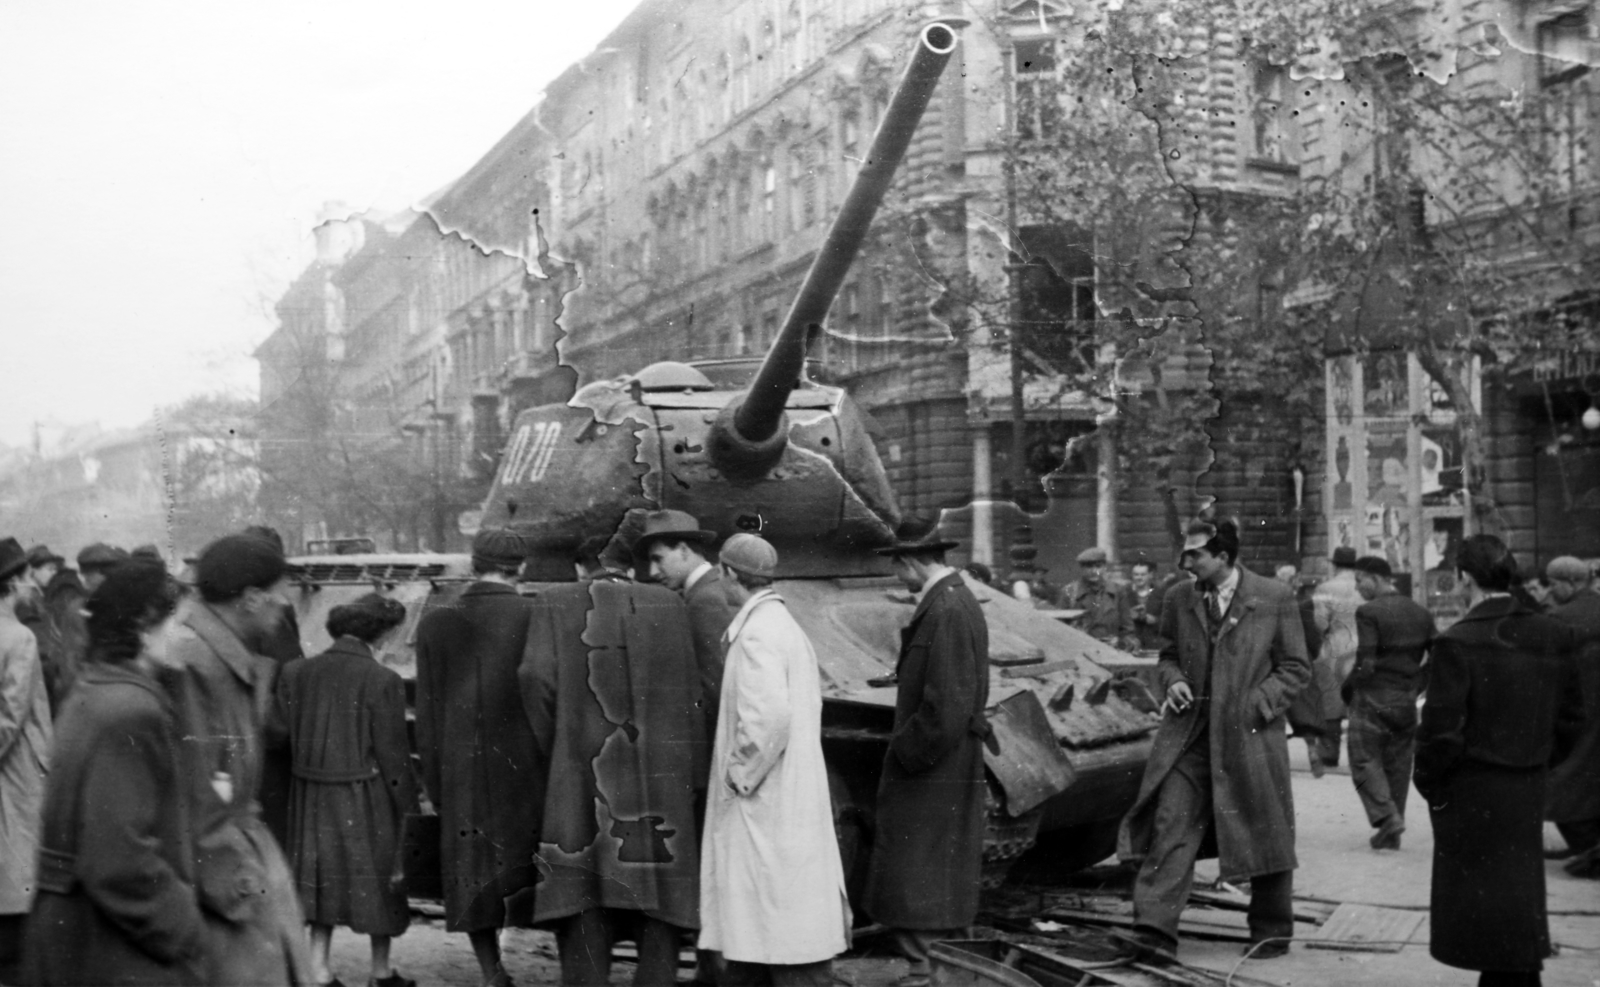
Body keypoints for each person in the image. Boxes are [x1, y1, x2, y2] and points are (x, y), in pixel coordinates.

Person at [1116, 519, 1311, 965]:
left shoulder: (1273, 597)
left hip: (1250, 736)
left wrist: (1257, 703)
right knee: (1171, 823)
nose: (1185, 563)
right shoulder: (1179, 598)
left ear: (1223, 557)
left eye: (1195, 555)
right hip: (1190, 737)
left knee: (1265, 826)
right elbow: (1165, 655)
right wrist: (1174, 681)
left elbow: (1297, 667)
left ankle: (1271, 931)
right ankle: (1153, 931)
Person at [520, 541, 707, 987]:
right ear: (633, 565)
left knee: (583, 887)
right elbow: (691, 691)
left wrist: (559, 744)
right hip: (658, 775)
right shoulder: (670, 603)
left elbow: (533, 677)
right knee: (659, 889)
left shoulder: (553, 601)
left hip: (582, 771)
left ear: (583, 564)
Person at [24, 558, 208, 986]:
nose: (189, 637)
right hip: (111, 949)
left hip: (75, 935)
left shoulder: (95, 690)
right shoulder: (132, 711)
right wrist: (185, 927)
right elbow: (118, 861)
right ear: (144, 630)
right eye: (181, 624)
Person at [1415, 535, 1583, 987]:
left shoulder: (1458, 641)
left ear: (1464, 578)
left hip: (1473, 792)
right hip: (1526, 788)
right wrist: (1537, 766)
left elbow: (1440, 735)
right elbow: (1572, 719)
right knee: (1516, 904)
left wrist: (1434, 787)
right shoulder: (1553, 632)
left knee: (1488, 913)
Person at [700, 534, 850, 987]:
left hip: (764, 801)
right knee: (766, 919)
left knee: (771, 917)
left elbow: (768, 720)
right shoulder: (783, 624)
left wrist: (737, 777)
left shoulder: (757, 634)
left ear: (728, 573)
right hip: (787, 794)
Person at [167, 532, 313, 985]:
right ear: (251, 599)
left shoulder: (219, 658)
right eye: (278, 597)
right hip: (221, 892)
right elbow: (195, 804)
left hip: (235, 874)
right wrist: (242, 894)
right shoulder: (195, 664)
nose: (282, 608)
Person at [862, 518, 990, 987]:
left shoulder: (946, 610)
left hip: (935, 764)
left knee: (922, 868)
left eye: (897, 566)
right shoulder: (951, 601)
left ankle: (929, 971)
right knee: (934, 866)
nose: (898, 577)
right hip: (945, 760)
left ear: (909, 561)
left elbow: (947, 706)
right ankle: (941, 967)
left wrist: (904, 754)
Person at [414, 527, 543, 987]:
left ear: (473, 563)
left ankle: (492, 971)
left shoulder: (436, 622)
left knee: (472, 872)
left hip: (462, 770)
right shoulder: (538, 615)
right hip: (530, 769)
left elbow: (427, 715)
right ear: (522, 568)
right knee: (539, 866)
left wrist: (434, 783)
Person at [279, 593, 418, 987]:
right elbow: (393, 756)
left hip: (309, 794)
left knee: (319, 879)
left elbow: (283, 733)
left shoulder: (294, 672)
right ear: (384, 634)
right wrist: (408, 807)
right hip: (366, 793)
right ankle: (380, 971)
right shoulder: (382, 680)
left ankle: (319, 969)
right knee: (381, 878)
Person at [1344, 556, 1435, 850]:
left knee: (1363, 759)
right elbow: (1440, 656)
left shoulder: (1369, 611)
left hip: (1372, 696)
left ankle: (1386, 818)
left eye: (1360, 580)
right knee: (1398, 764)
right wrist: (1418, 684)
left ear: (1376, 578)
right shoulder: (1420, 612)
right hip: (1405, 698)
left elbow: (1366, 662)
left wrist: (1348, 688)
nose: (1358, 588)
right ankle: (1392, 831)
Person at [0, 537, 51, 982]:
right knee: (20, 877)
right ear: (14, 582)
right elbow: (13, 715)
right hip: (16, 772)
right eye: (27, 576)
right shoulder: (20, 637)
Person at [637, 509, 739, 731]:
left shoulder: (704, 600)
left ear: (683, 550)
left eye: (658, 559)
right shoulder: (707, 591)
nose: (653, 571)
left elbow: (714, 690)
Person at [1541, 556, 1600, 876]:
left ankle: (1589, 849)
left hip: (1577, 714)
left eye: (1554, 585)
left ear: (1573, 583)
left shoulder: (1561, 619)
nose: (1551, 592)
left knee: (1564, 782)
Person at [1312, 546, 1363, 769]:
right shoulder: (1364, 587)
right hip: (1363, 647)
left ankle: (1330, 754)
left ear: (1335, 565)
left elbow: (1320, 622)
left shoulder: (1325, 588)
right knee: (1359, 704)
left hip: (1335, 648)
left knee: (1331, 704)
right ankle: (1360, 756)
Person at [1275, 562, 1328, 777]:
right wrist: (1312, 654)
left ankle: (1277, 759)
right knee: (1306, 706)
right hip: (1300, 658)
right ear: (1295, 581)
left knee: (1276, 707)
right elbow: (1313, 637)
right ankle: (1312, 749)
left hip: (1275, 660)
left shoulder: (1271, 603)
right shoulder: (1304, 604)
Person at [1059, 546, 1136, 649]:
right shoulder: (1069, 592)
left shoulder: (1117, 592)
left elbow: (1128, 631)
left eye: (1098, 566)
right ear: (1081, 569)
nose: (1094, 571)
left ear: (1105, 567)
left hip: (1110, 651)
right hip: (1079, 650)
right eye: (1088, 567)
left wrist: (1120, 642)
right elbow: (1058, 629)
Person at [1129, 557, 1164, 651]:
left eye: (1143, 574)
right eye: (1136, 574)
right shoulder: (1125, 593)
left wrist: (1155, 620)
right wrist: (1130, 616)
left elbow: (1169, 620)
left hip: (1153, 645)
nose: (1139, 578)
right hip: (1130, 645)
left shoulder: (1161, 595)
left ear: (1151, 575)